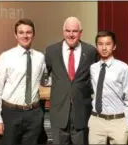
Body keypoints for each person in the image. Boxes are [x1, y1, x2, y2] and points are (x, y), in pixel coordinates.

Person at [0, 18, 47, 145]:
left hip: (33, 114)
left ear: (34, 34)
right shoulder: (6, 57)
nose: (25, 35)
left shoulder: (40, 57)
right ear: (15, 35)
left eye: (28, 32)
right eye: (21, 32)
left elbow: (45, 80)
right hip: (11, 114)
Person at [44, 16, 98, 145]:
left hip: (82, 114)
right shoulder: (52, 51)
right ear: (63, 32)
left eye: (74, 31)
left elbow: (94, 78)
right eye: (68, 31)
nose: (71, 34)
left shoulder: (90, 51)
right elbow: (44, 75)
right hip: (59, 114)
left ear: (81, 32)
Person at [88, 30, 128, 144]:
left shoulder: (123, 68)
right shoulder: (93, 68)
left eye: (108, 44)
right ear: (96, 46)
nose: (104, 48)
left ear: (114, 46)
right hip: (97, 121)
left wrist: (127, 123)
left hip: (118, 121)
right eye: (100, 44)